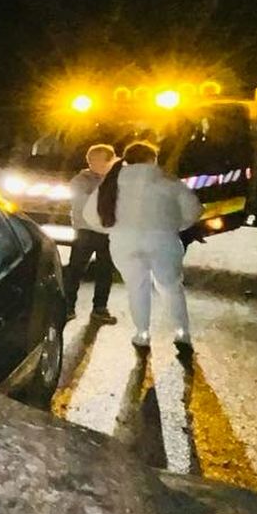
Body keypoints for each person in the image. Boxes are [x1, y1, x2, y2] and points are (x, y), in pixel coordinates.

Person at [85, 140, 202, 356]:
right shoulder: (168, 181)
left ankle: (142, 334)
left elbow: (91, 215)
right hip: (162, 240)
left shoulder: (112, 181)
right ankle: (182, 332)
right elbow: (194, 210)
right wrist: (175, 225)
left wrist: (114, 230)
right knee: (170, 286)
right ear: (153, 159)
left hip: (124, 242)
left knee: (137, 288)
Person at [63, 144, 118, 325]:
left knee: (105, 272)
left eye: (99, 160)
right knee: (75, 270)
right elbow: (87, 202)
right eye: (91, 160)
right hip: (86, 231)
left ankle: (100, 308)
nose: (93, 163)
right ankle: (67, 306)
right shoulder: (81, 180)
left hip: (109, 232)